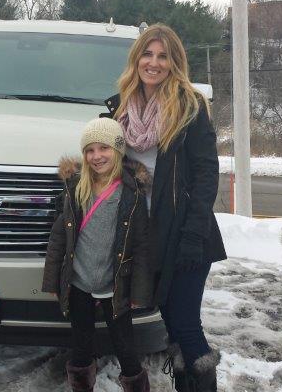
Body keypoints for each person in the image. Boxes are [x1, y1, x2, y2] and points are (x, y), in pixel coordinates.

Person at [105, 23, 227, 392]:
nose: (153, 63)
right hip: (147, 235)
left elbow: (207, 175)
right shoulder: (119, 109)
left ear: (174, 63)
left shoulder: (190, 108)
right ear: (136, 58)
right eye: (147, 54)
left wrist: (193, 235)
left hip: (188, 234)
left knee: (187, 326)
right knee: (172, 325)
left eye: (163, 56)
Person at [42, 117, 153, 392]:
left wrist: (139, 293)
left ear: (117, 150)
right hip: (79, 283)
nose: (96, 156)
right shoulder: (75, 188)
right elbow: (59, 238)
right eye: (89, 150)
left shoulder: (131, 193)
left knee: (125, 346)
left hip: (113, 286)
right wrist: (53, 280)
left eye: (103, 148)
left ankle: (137, 386)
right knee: (80, 345)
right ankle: (81, 385)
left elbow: (141, 246)